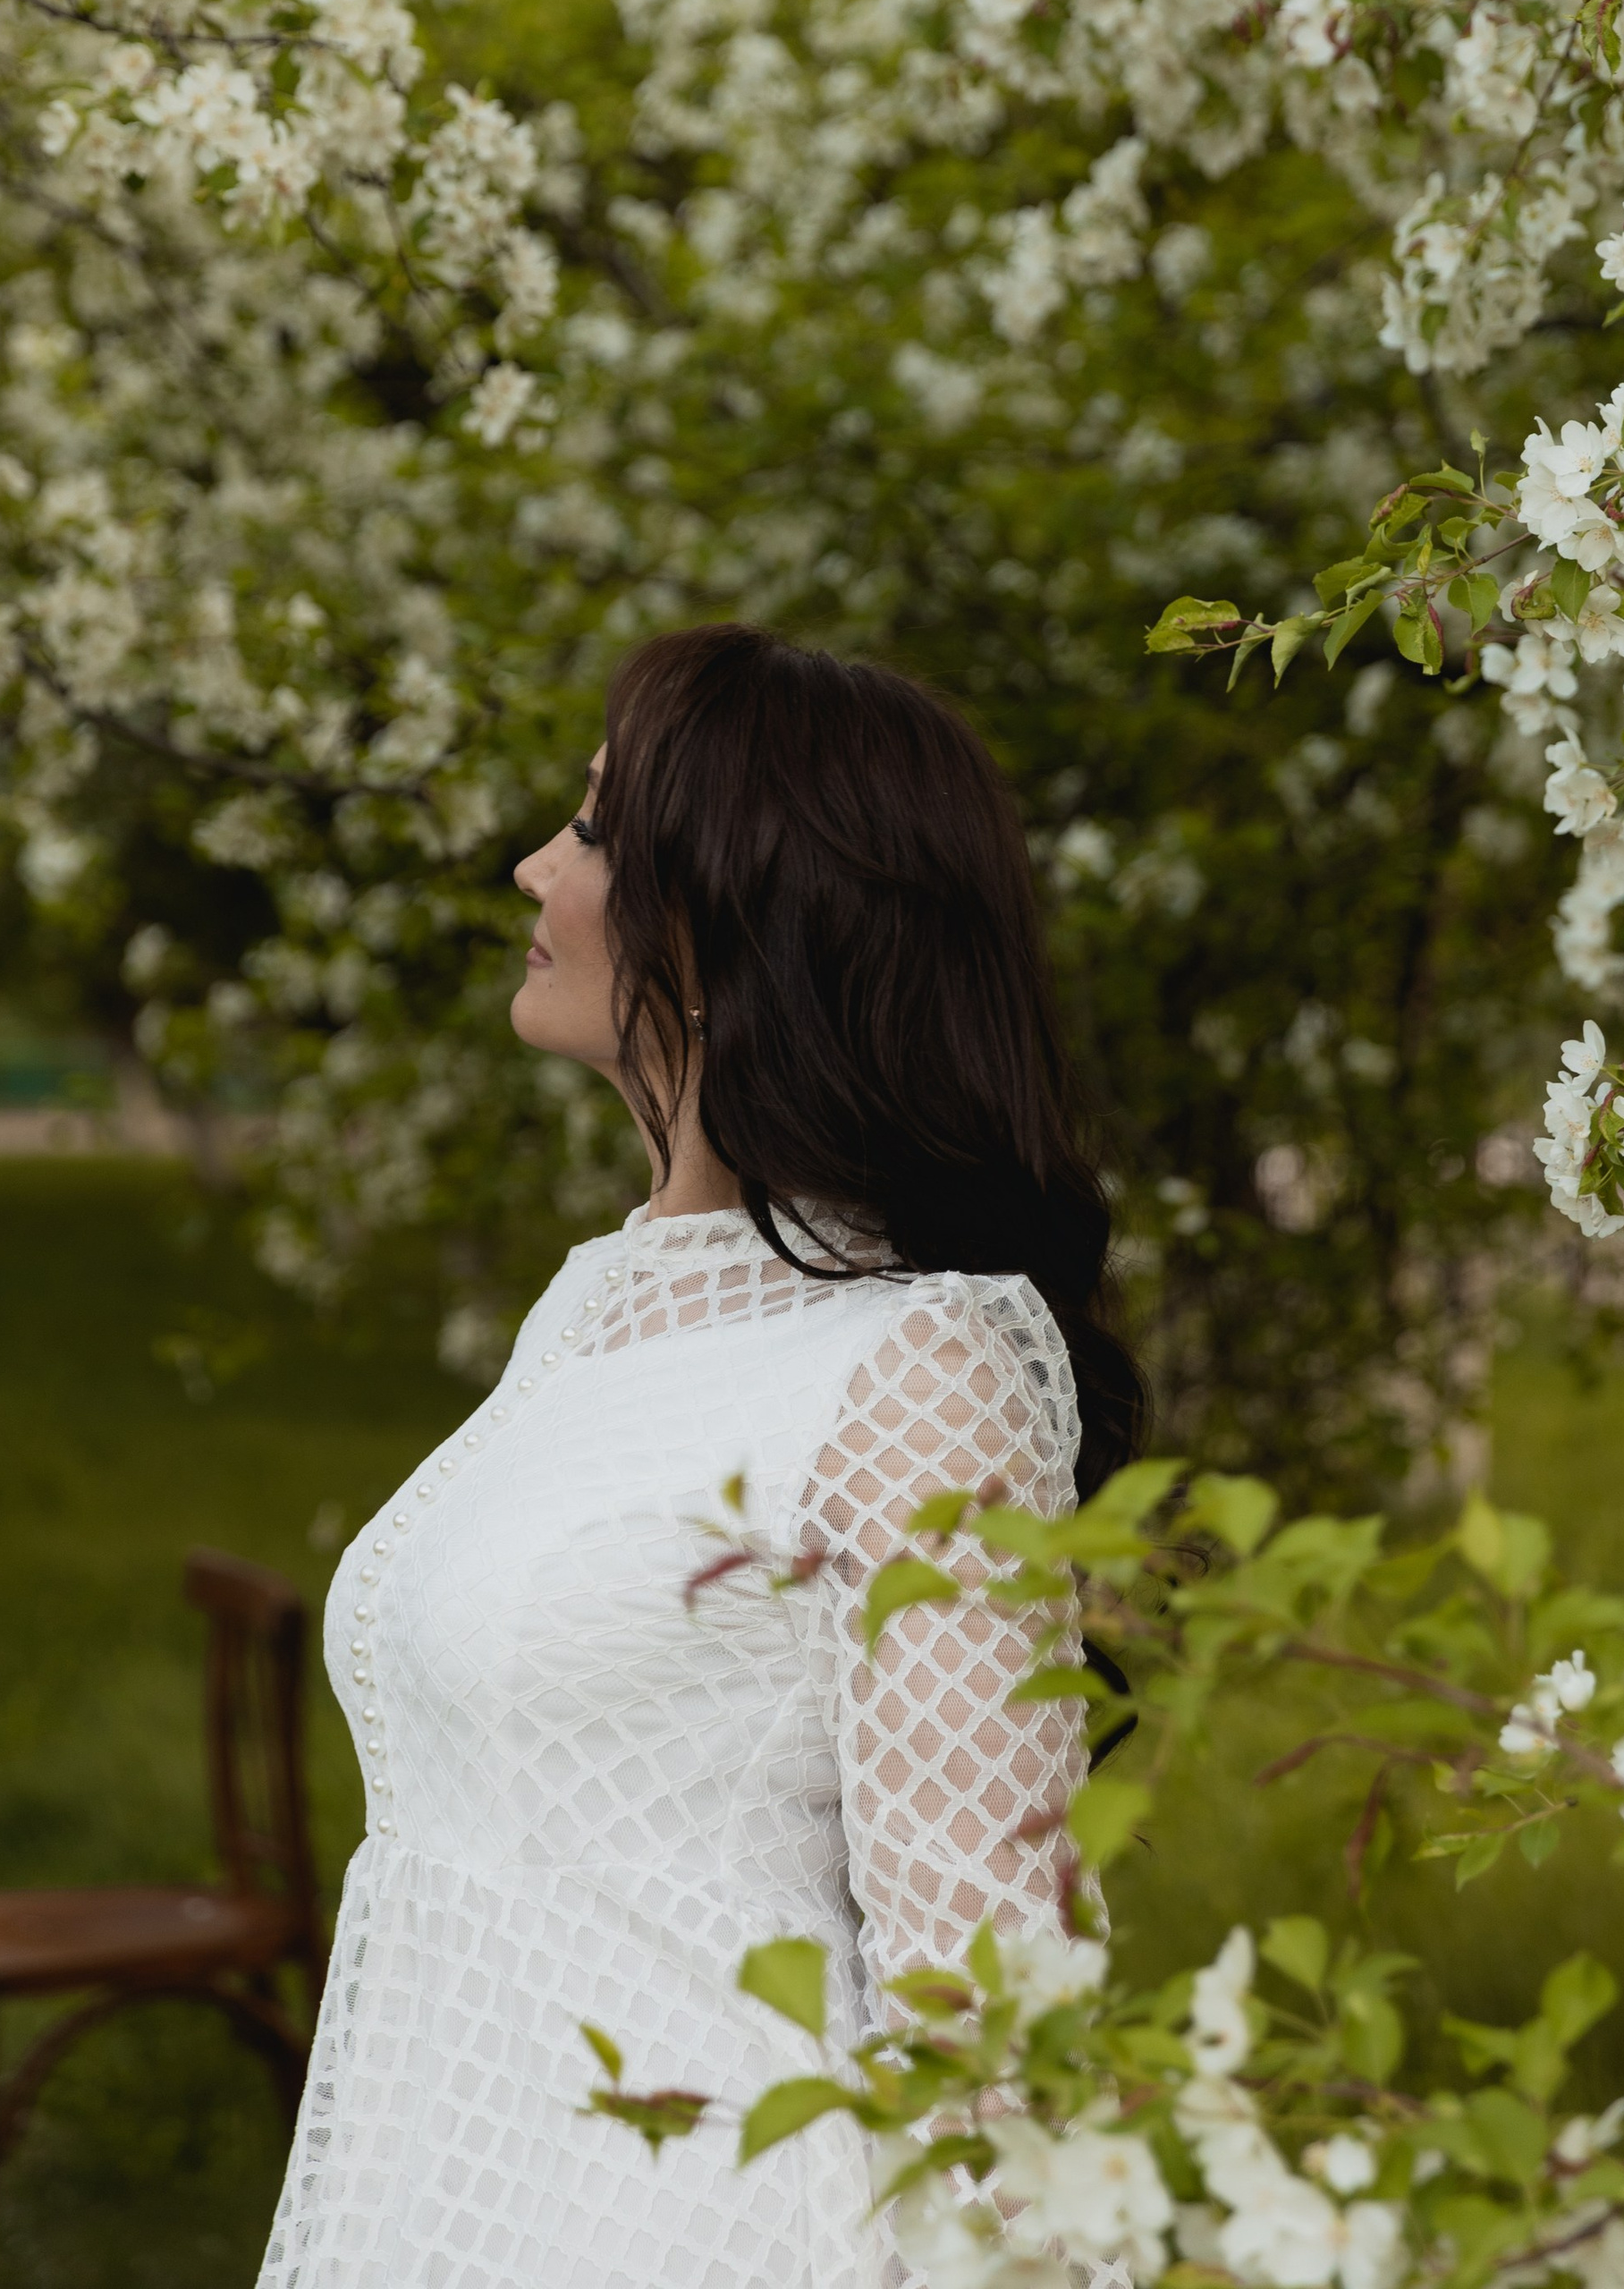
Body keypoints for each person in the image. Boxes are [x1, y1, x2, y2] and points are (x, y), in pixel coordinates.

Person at [258, 622, 1145, 2289]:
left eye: (593, 831)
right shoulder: (604, 1312)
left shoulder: (922, 1372)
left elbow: (990, 1999)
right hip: (461, 2185)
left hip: (710, 2226)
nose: (534, 866)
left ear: (733, 930)